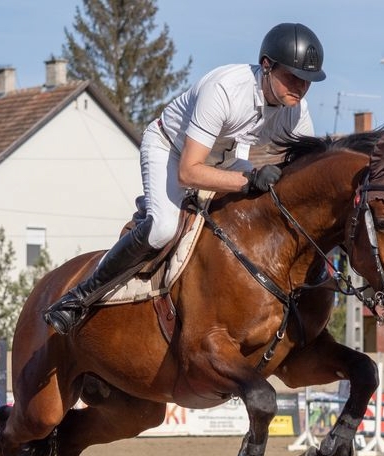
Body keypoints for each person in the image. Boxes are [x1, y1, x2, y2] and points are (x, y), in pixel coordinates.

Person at [44, 22, 327, 335]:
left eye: (307, 81)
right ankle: (78, 298)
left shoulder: (296, 110)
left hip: (227, 160)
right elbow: (189, 171)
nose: (300, 88)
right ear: (266, 66)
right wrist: (249, 182)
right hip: (172, 152)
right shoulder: (226, 89)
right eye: (292, 77)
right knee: (163, 230)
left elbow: (307, 173)